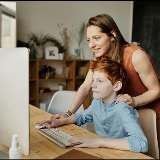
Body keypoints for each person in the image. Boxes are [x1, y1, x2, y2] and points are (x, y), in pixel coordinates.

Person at [51, 14, 160, 154]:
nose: (91, 45)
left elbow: (156, 90)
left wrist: (134, 101)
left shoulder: (136, 55)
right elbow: (85, 87)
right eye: (89, 40)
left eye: (97, 38)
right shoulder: (100, 57)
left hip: (148, 110)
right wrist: (67, 114)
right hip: (124, 109)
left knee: (148, 152)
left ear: (112, 36)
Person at [37, 59, 148, 152]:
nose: (93, 85)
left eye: (99, 81)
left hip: (120, 154)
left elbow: (141, 143)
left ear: (116, 86)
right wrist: (60, 121)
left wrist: (99, 141)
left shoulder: (122, 108)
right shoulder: (97, 103)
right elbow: (82, 117)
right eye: (93, 80)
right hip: (103, 151)